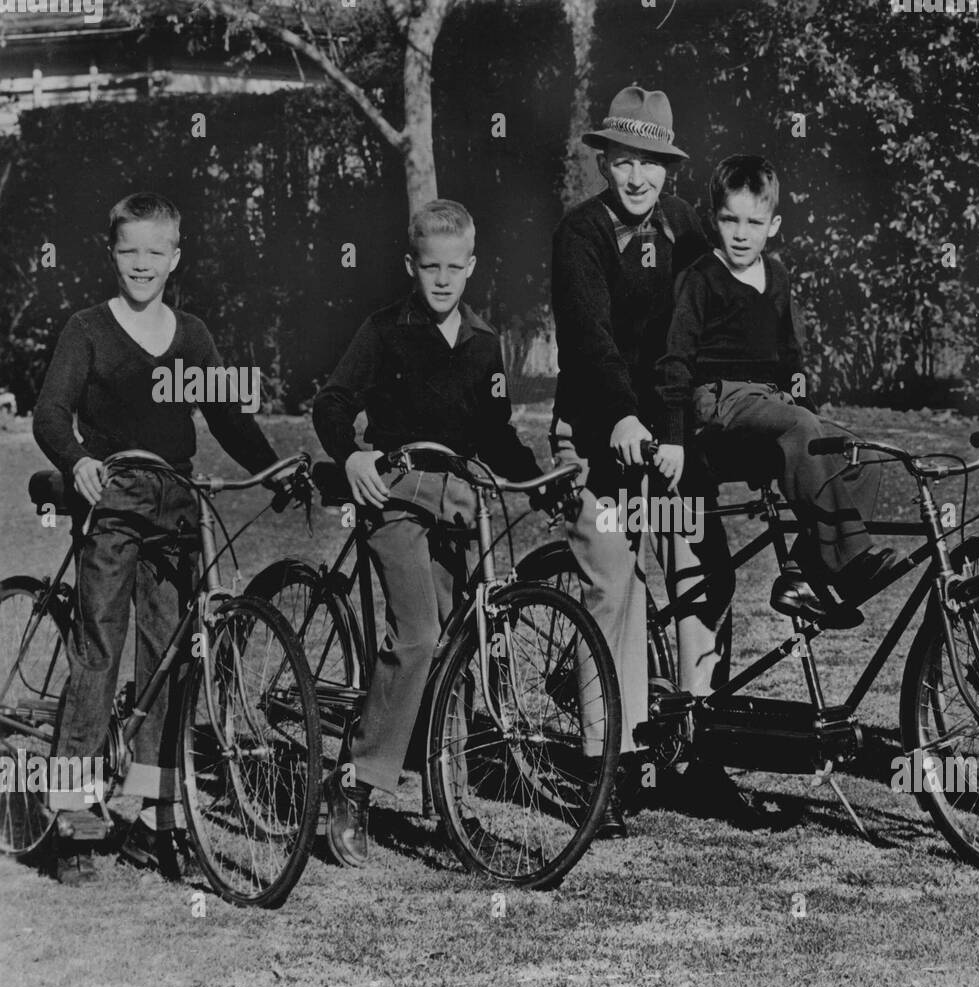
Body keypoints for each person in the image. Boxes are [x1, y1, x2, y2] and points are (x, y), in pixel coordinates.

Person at [33, 191, 286, 884]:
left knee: (170, 654)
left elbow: (227, 416)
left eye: (155, 252)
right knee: (98, 651)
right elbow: (50, 411)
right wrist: (77, 459)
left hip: (176, 505)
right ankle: (74, 816)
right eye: (129, 251)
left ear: (175, 258)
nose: (141, 264)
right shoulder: (87, 329)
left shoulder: (193, 335)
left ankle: (152, 810)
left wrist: (272, 468)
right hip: (111, 501)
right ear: (111, 254)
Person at [314, 199, 547, 867]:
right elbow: (333, 400)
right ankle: (356, 781)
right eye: (430, 267)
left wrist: (539, 478)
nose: (443, 279)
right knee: (416, 633)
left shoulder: (483, 343)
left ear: (471, 267)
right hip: (397, 498)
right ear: (410, 266)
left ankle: (445, 794)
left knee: (458, 646)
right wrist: (351, 454)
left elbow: (496, 432)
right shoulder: (385, 330)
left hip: (459, 505)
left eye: (455, 267)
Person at [551, 85, 736, 834]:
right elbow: (590, 338)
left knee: (698, 566)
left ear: (669, 169)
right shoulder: (580, 233)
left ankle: (700, 744)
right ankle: (610, 764)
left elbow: (690, 332)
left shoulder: (686, 228)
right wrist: (622, 416)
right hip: (600, 430)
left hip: (664, 432)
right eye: (624, 161)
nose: (636, 178)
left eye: (651, 164)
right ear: (605, 161)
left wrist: (675, 425)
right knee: (612, 580)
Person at [657, 154, 898, 622]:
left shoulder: (779, 277)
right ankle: (849, 563)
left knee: (863, 453)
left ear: (773, 224)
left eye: (754, 221)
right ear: (713, 221)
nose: (742, 233)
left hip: (772, 401)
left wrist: (810, 417)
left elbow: (792, 358)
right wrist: (671, 434)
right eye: (730, 220)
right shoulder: (701, 279)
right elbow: (675, 360)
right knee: (798, 424)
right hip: (718, 399)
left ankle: (803, 574)